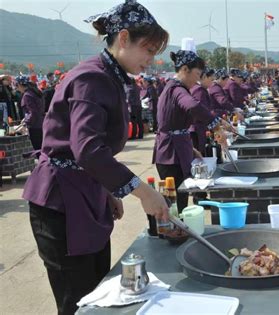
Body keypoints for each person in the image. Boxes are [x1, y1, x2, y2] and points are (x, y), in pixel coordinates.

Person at [22, 1, 170, 313]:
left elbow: (91, 151)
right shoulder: (93, 77)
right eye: (148, 49)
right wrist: (143, 192)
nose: (151, 59)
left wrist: (106, 189)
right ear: (124, 38)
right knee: (78, 300)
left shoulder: (111, 76)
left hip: (84, 192)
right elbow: (87, 150)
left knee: (98, 291)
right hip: (61, 200)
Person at [152, 50, 230, 213]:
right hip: (171, 154)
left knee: (178, 200)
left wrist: (191, 148)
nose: (197, 80)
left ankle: (179, 231)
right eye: (197, 74)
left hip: (174, 149)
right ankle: (176, 234)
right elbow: (193, 106)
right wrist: (216, 126)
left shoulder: (172, 88)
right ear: (185, 69)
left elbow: (175, 124)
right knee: (175, 202)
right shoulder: (177, 89)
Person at [190, 67, 215, 155]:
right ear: (204, 76)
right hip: (196, 131)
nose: (212, 83)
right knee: (198, 158)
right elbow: (201, 112)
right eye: (211, 80)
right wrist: (215, 124)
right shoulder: (199, 90)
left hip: (197, 129)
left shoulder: (197, 88)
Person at [15, 75, 45, 150]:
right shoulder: (35, 92)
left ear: (20, 85)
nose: (16, 88)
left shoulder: (27, 95)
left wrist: (25, 123)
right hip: (41, 123)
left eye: (17, 85)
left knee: (38, 150)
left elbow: (32, 113)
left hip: (34, 126)